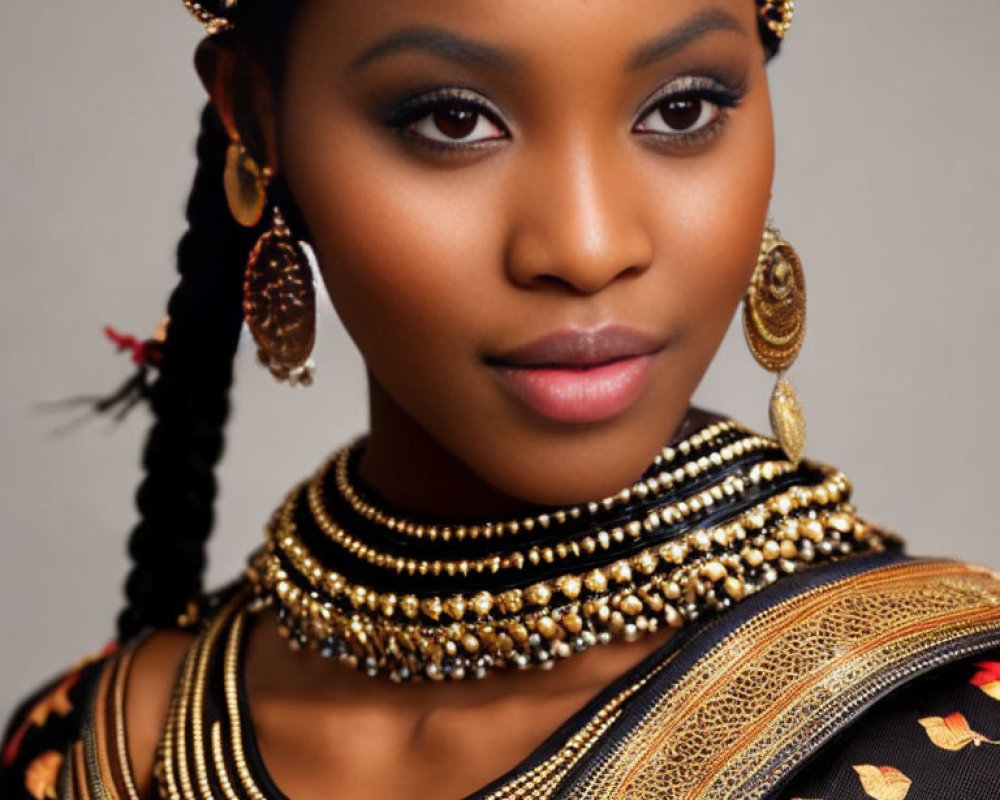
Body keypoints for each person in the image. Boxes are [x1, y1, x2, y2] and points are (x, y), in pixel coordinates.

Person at [3, 1, 999, 799]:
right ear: (258, 121)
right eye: (452, 119)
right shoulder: (107, 740)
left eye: (683, 108)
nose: (586, 244)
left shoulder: (957, 729)